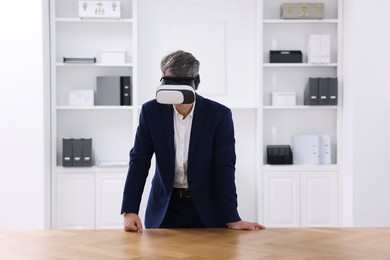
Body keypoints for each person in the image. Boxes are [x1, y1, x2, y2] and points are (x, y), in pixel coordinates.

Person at [121, 50, 265, 231]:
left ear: (196, 84)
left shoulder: (219, 115)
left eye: (181, 84)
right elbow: (139, 161)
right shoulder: (151, 112)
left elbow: (224, 167)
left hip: (207, 210)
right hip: (165, 208)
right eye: (170, 83)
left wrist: (232, 216)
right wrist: (130, 210)